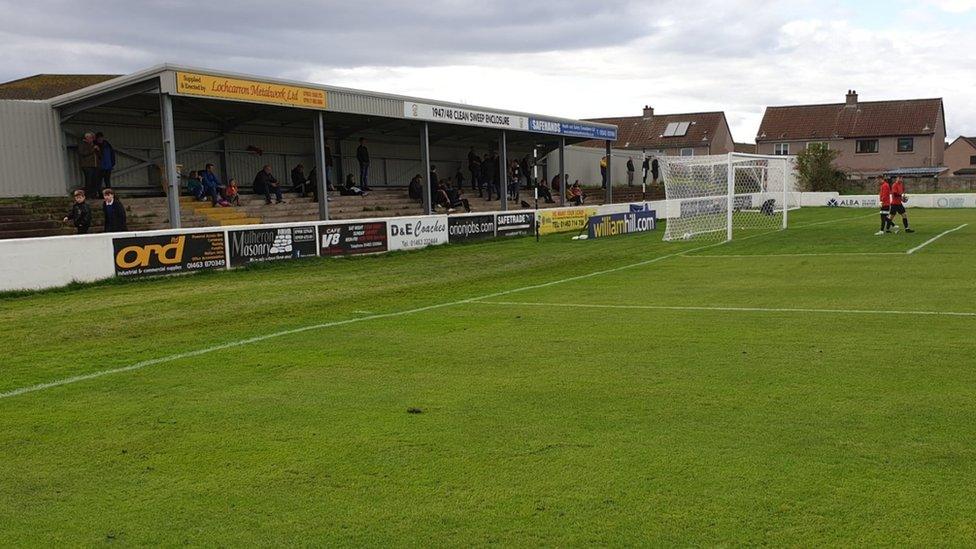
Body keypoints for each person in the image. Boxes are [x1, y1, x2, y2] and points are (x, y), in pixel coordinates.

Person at [78, 132, 99, 198]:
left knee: (94, 180)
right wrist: (93, 149)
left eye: (92, 138)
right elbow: (83, 153)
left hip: (95, 165)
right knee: (88, 181)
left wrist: (98, 150)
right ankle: (87, 195)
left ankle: (94, 195)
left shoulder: (92, 144)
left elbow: (99, 155)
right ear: (86, 138)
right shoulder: (82, 144)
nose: (92, 139)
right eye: (91, 138)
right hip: (87, 165)